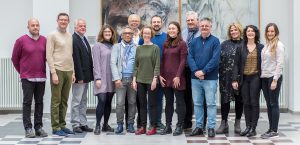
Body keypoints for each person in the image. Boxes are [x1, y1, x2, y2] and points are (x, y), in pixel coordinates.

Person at [11, 18, 48, 138]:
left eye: (37, 25)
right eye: (33, 25)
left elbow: (47, 57)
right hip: (27, 78)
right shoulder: (21, 41)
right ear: (28, 27)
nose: (35, 27)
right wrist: (22, 72)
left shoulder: (44, 40)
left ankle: (38, 127)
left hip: (41, 77)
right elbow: (14, 59)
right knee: (27, 103)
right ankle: (28, 128)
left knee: (39, 103)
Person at [187, 17, 221, 137]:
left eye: (207, 26)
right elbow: (190, 57)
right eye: (202, 26)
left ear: (210, 27)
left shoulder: (215, 41)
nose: (204, 28)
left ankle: (211, 127)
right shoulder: (194, 41)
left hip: (210, 79)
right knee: (197, 103)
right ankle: (199, 127)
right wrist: (196, 71)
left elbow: (215, 59)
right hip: (195, 78)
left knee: (211, 104)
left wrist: (204, 71)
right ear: (199, 27)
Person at [46, 12, 75, 136]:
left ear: (68, 22)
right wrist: (53, 73)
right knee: (56, 100)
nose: (63, 22)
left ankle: (62, 125)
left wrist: (73, 72)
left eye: (65, 20)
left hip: (68, 71)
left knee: (64, 100)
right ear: (57, 21)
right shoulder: (52, 35)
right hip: (57, 70)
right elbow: (49, 55)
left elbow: (70, 55)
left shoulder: (69, 36)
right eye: (61, 20)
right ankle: (56, 127)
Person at [232, 25, 264, 137]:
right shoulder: (241, 47)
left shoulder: (261, 47)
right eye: (248, 31)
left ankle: (253, 128)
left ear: (255, 33)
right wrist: (234, 79)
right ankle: (247, 127)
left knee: (254, 102)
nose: (250, 33)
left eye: (252, 31)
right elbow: (236, 64)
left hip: (256, 78)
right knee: (246, 102)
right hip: (244, 78)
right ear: (245, 33)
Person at [139, 15, 167, 130]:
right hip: (146, 75)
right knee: (146, 101)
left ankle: (158, 121)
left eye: (158, 22)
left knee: (159, 99)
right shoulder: (144, 39)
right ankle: (149, 123)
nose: (156, 24)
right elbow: (139, 57)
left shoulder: (166, 37)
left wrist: (160, 74)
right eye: (154, 22)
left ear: (161, 23)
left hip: (161, 74)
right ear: (151, 23)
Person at [160, 21, 187, 136]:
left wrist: (178, 76)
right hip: (166, 78)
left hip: (177, 78)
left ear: (178, 30)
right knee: (169, 103)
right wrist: (160, 75)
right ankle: (168, 126)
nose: (171, 30)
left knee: (180, 102)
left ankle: (179, 126)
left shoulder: (182, 43)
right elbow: (162, 60)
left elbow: (183, 61)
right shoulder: (165, 43)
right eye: (170, 28)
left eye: (173, 28)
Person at [181, 11, 207, 130]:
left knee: (201, 97)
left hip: (199, 70)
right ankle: (187, 121)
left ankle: (202, 123)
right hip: (186, 69)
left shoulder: (203, 33)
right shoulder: (183, 33)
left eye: (192, 20)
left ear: (198, 20)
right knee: (186, 97)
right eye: (188, 20)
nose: (190, 22)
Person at [216, 23, 244, 134]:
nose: (233, 32)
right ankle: (224, 123)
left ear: (240, 30)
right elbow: (218, 60)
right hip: (225, 77)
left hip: (240, 77)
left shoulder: (244, 44)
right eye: (231, 30)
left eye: (235, 30)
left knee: (239, 100)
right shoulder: (224, 44)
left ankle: (237, 123)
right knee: (224, 101)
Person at [133, 26, 160, 135]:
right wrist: (134, 80)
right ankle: (142, 126)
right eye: (145, 33)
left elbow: (157, 65)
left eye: (149, 33)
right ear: (142, 34)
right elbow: (136, 65)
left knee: (152, 104)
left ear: (151, 35)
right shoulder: (138, 48)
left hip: (151, 80)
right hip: (140, 80)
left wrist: (155, 79)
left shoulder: (155, 48)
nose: (147, 35)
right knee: (142, 104)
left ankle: (153, 126)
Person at [111, 26, 138, 134]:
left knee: (132, 102)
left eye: (129, 33)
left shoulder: (137, 47)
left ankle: (130, 124)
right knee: (120, 103)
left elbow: (138, 64)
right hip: (120, 80)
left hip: (132, 79)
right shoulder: (116, 47)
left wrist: (135, 78)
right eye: (125, 33)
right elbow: (112, 63)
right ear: (122, 35)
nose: (127, 35)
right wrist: (116, 79)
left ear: (132, 35)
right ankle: (120, 124)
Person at [92, 24, 117, 135]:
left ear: (112, 34)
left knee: (108, 102)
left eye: (109, 32)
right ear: (102, 33)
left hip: (111, 78)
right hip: (101, 78)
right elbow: (96, 63)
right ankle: (97, 125)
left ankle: (105, 125)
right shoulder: (97, 46)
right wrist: (97, 78)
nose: (107, 33)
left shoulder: (114, 46)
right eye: (105, 32)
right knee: (101, 101)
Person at [260, 23, 284, 139]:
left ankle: (275, 131)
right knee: (269, 104)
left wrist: (275, 80)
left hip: (273, 78)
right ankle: (271, 128)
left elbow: (280, 64)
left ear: (276, 32)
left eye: (272, 31)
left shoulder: (279, 45)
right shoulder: (266, 45)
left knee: (273, 104)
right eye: (268, 31)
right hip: (265, 77)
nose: (270, 33)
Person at [70, 18, 94, 133]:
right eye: (80, 26)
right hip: (80, 78)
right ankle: (75, 124)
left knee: (84, 101)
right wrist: (79, 77)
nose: (83, 27)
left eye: (84, 26)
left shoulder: (84, 39)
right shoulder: (74, 39)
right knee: (76, 101)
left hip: (86, 76)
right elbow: (76, 60)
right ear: (75, 27)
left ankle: (83, 123)